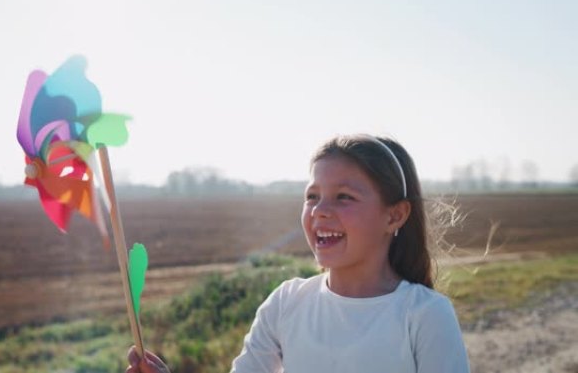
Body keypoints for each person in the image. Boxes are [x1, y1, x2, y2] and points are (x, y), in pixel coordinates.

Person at [126, 134, 470, 373]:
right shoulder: (286, 303)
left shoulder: (424, 315)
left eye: (344, 197)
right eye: (312, 196)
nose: (320, 210)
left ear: (394, 215)